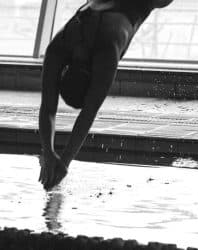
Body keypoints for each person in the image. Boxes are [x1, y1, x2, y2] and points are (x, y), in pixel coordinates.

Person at [39, 0, 175, 190]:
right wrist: (49, 153)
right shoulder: (59, 46)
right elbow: (48, 108)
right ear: (64, 72)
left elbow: (87, 113)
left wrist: (63, 162)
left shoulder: (105, 53)